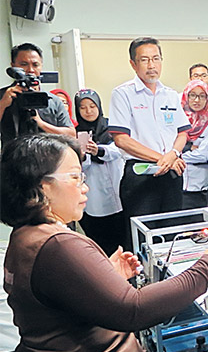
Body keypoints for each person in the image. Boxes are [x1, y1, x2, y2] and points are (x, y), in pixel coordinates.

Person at [0, 133, 208, 352]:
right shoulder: (58, 244)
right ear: (42, 187)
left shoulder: (26, 236)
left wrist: (106, 277)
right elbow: (134, 310)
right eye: (74, 178)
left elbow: (56, 297)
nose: (85, 187)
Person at [108, 37, 189, 248]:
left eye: (156, 59)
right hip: (140, 173)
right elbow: (122, 139)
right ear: (133, 64)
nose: (151, 65)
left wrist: (173, 155)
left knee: (172, 233)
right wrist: (164, 158)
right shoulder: (123, 94)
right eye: (144, 60)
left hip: (172, 172)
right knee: (141, 238)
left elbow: (182, 133)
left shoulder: (170, 95)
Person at [75, 89, 125, 256]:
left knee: (124, 241)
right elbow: (79, 167)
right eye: (83, 108)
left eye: (92, 106)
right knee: (102, 244)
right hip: (95, 199)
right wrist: (83, 154)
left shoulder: (112, 127)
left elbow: (119, 150)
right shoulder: (74, 133)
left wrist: (99, 151)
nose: (88, 111)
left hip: (119, 192)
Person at [0, 43, 75, 146]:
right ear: (13, 66)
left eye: (35, 65)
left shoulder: (53, 100)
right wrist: (3, 104)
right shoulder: (3, 96)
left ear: (41, 66)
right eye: (24, 64)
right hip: (13, 159)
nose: (30, 70)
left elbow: (71, 135)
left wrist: (41, 124)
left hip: (48, 159)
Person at [180, 79, 208, 209]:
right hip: (178, 185)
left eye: (202, 96)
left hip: (201, 188)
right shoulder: (178, 120)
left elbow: (203, 154)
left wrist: (177, 156)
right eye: (193, 95)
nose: (197, 100)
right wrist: (189, 148)